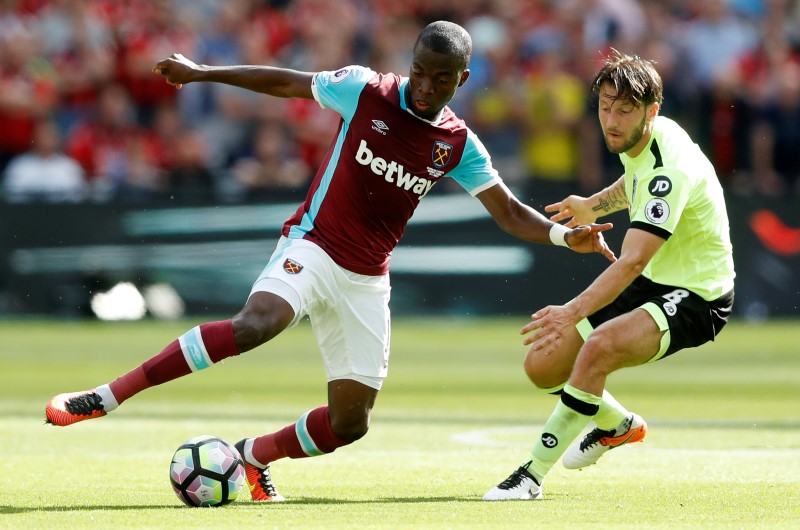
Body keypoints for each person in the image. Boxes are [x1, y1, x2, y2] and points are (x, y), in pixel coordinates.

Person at [45, 21, 615, 503]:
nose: (425, 85)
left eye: (441, 78)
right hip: (313, 246)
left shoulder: (456, 144)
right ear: (410, 62)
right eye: (420, 70)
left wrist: (568, 240)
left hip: (367, 279)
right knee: (256, 325)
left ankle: (250, 457)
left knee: (350, 424)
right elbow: (284, 82)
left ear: (462, 80)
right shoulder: (364, 89)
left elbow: (510, 212)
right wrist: (202, 72)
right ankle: (105, 395)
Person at [483, 49, 735, 501]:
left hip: (698, 294)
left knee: (598, 348)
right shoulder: (643, 142)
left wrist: (572, 310)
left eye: (624, 109)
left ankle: (530, 475)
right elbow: (630, 181)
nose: (611, 120)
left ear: (650, 111)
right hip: (655, 279)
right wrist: (592, 205)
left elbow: (633, 260)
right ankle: (617, 425)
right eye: (604, 106)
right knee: (543, 366)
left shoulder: (669, 170)